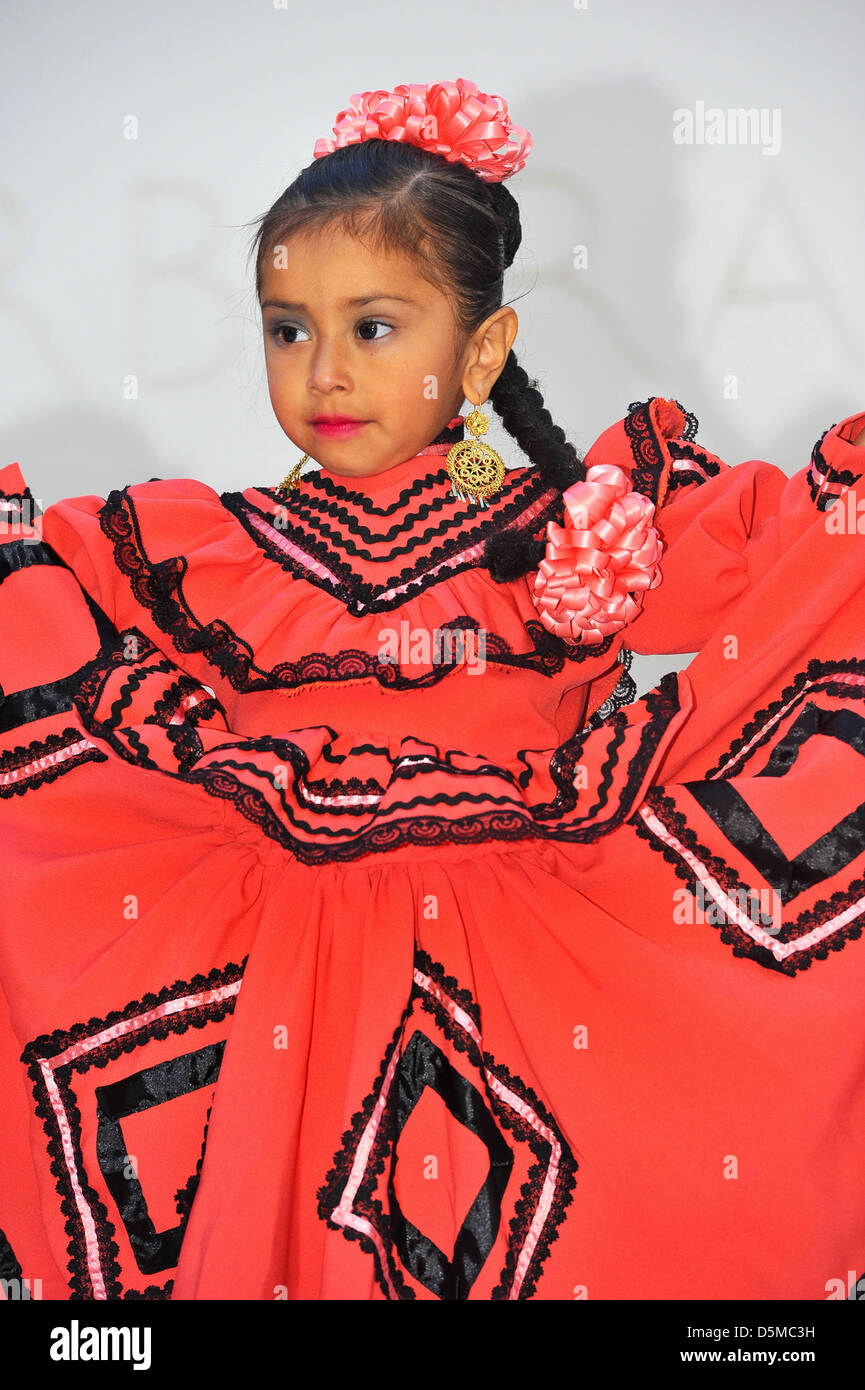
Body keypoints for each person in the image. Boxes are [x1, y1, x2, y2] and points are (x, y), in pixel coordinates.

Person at [1, 78, 864, 1302]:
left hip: (534, 967)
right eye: (287, 327)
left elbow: (805, 549)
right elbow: (25, 598)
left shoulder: (585, 524)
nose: (324, 372)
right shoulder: (198, 547)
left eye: (374, 327)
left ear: (484, 347)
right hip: (259, 977)